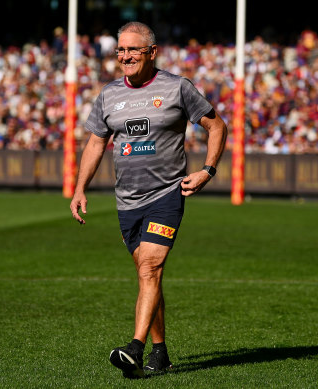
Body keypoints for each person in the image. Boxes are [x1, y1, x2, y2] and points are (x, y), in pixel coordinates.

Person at [69, 21, 227, 378]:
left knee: (150, 268)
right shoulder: (109, 95)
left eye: (132, 50)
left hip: (167, 194)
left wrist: (208, 170)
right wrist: (79, 188)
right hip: (126, 202)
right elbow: (96, 142)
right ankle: (161, 352)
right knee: (148, 278)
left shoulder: (177, 88)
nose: (125, 56)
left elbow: (217, 126)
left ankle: (134, 349)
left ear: (151, 52)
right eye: (120, 50)